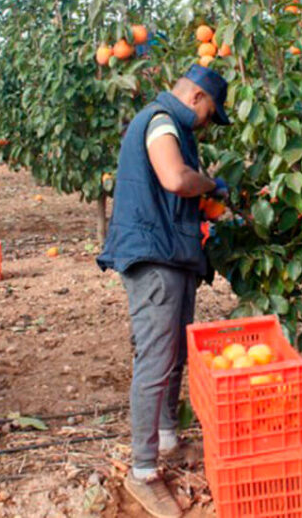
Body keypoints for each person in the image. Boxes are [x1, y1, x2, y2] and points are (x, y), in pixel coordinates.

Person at [97, 63, 231, 518]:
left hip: (171, 254)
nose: (207, 124)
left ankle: (168, 438)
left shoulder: (172, 124)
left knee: (173, 351)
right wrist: (209, 185)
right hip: (154, 258)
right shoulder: (160, 121)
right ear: (196, 97)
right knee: (156, 358)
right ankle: (142, 470)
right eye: (210, 113)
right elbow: (175, 178)